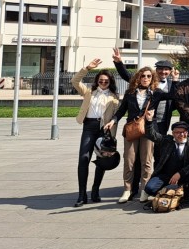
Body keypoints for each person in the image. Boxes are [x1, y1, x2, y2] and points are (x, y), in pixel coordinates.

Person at [108, 67, 161, 204]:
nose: (145, 78)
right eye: (143, 76)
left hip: (148, 130)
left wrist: (174, 79)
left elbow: (173, 95)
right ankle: (127, 189)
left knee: (146, 160)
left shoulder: (155, 93)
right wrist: (113, 121)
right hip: (132, 129)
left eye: (149, 76)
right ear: (138, 77)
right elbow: (121, 110)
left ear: (152, 78)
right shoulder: (130, 92)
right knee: (129, 160)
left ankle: (145, 190)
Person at [72, 59, 120, 206]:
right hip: (89, 126)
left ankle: (95, 190)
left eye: (106, 81)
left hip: (104, 129)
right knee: (83, 158)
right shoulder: (89, 92)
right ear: (97, 81)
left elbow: (116, 115)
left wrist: (112, 134)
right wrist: (87, 68)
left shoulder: (114, 96)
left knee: (101, 160)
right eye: (101, 80)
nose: (103, 83)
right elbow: (75, 81)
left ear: (110, 82)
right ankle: (82, 194)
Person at [112, 50, 180, 135]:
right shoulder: (145, 80)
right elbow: (126, 75)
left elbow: (174, 97)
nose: (163, 71)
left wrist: (175, 80)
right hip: (143, 121)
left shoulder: (173, 84)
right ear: (156, 70)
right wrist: (118, 62)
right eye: (160, 69)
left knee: (160, 142)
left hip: (162, 121)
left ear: (170, 71)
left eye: (166, 69)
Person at [143, 119, 189, 207]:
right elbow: (151, 134)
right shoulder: (166, 140)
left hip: (183, 175)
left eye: (183, 132)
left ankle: (186, 196)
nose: (181, 135)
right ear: (173, 133)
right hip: (165, 175)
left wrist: (180, 174)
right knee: (150, 189)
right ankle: (164, 193)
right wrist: (149, 122)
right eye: (177, 132)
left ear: (187, 133)